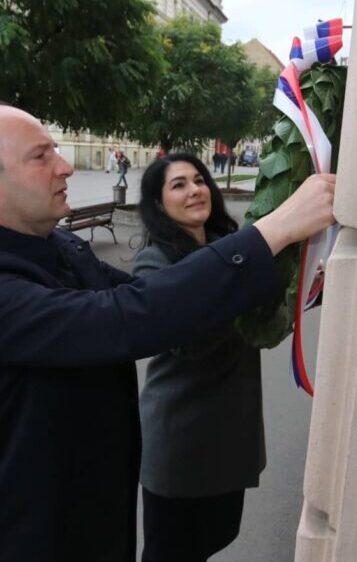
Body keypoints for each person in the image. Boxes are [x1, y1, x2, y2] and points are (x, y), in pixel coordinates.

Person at [0, 101, 336, 561]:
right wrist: (272, 230)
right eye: (41, 157)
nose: (65, 167)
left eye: (56, 151)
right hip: (29, 540)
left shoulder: (56, 247)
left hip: (100, 528)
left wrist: (297, 278)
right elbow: (126, 317)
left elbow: (158, 297)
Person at [133, 153, 268, 562]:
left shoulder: (228, 247)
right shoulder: (154, 262)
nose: (195, 190)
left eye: (199, 180)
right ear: (159, 204)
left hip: (230, 438)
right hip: (182, 444)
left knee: (215, 536)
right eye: (178, 185)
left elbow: (260, 315)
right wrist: (247, 279)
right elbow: (189, 341)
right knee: (170, 553)